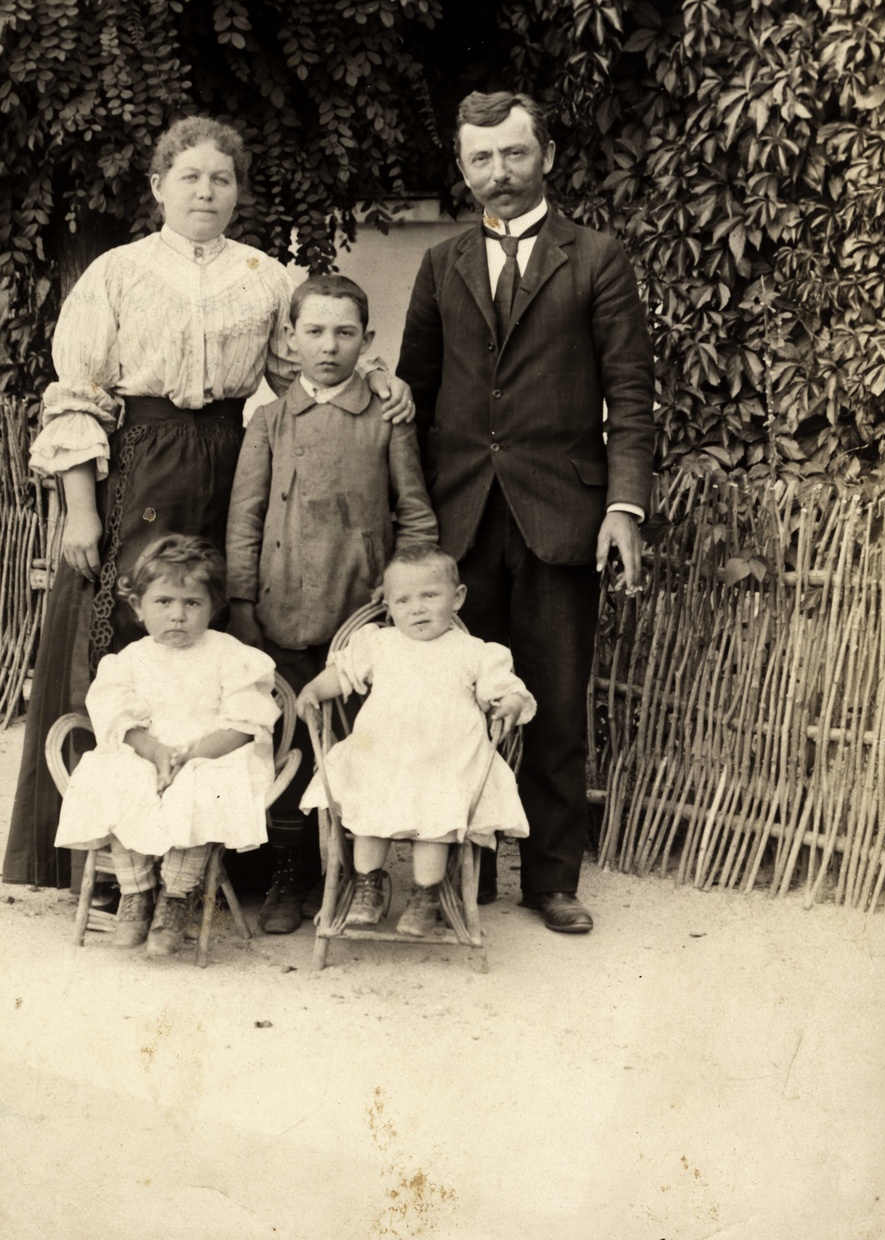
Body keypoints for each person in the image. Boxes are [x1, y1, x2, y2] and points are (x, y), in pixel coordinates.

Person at [3, 115, 412, 888]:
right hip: (139, 468)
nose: (205, 191)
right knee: (126, 636)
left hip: (231, 463)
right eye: (189, 177)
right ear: (159, 186)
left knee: (224, 639)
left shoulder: (265, 276)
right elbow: (77, 395)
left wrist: (380, 382)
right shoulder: (118, 272)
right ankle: (116, 856)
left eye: (221, 179)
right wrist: (81, 509)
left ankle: (217, 855)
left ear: (237, 192)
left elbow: (309, 373)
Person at [396, 90, 655, 934]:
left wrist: (623, 507)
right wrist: (414, 521)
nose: (499, 172)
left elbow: (630, 392)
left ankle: (552, 879)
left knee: (554, 703)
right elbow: (415, 396)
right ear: (462, 167)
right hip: (461, 518)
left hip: (560, 515)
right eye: (481, 158)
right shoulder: (440, 263)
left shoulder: (597, 257)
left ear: (545, 155)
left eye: (513, 153)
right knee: (455, 704)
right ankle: (461, 875)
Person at [225, 274, 438, 933]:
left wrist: (395, 593)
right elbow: (244, 520)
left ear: (366, 341)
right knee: (290, 745)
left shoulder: (387, 419)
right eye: (314, 331)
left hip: (360, 618)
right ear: (290, 338)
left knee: (355, 745)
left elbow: (416, 517)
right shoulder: (268, 421)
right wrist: (241, 602)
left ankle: (351, 873)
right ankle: (290, 872)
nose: (328, 346)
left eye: (345, 333)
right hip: (282, 609)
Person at [295, 545, 537, 937]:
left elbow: (507, 689)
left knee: (437, 812)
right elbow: (342, 674)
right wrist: (312, 691)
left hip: (447, 760)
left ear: (457, 598)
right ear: (388, 607)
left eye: (430, 595)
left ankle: (427, 892)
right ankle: (367, 884)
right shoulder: (379, 643)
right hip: (384, 756)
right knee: (368, 803)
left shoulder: (474, 651)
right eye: (404, 600)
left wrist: (508, 703)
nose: (417, 609)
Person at [54, 536, 278, 957]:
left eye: (192, 603)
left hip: (211, 754)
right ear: (138, 607)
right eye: (163, 602)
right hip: (148, 752)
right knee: (115, 775)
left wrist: (190, 757)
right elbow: (119, 718)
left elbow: (244, 724)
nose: (178, 614)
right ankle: (136, 891)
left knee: (200, 787)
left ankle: (176, 897)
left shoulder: (230, 655)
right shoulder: (130, 659)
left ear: (213, 606)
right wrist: (156, 753)